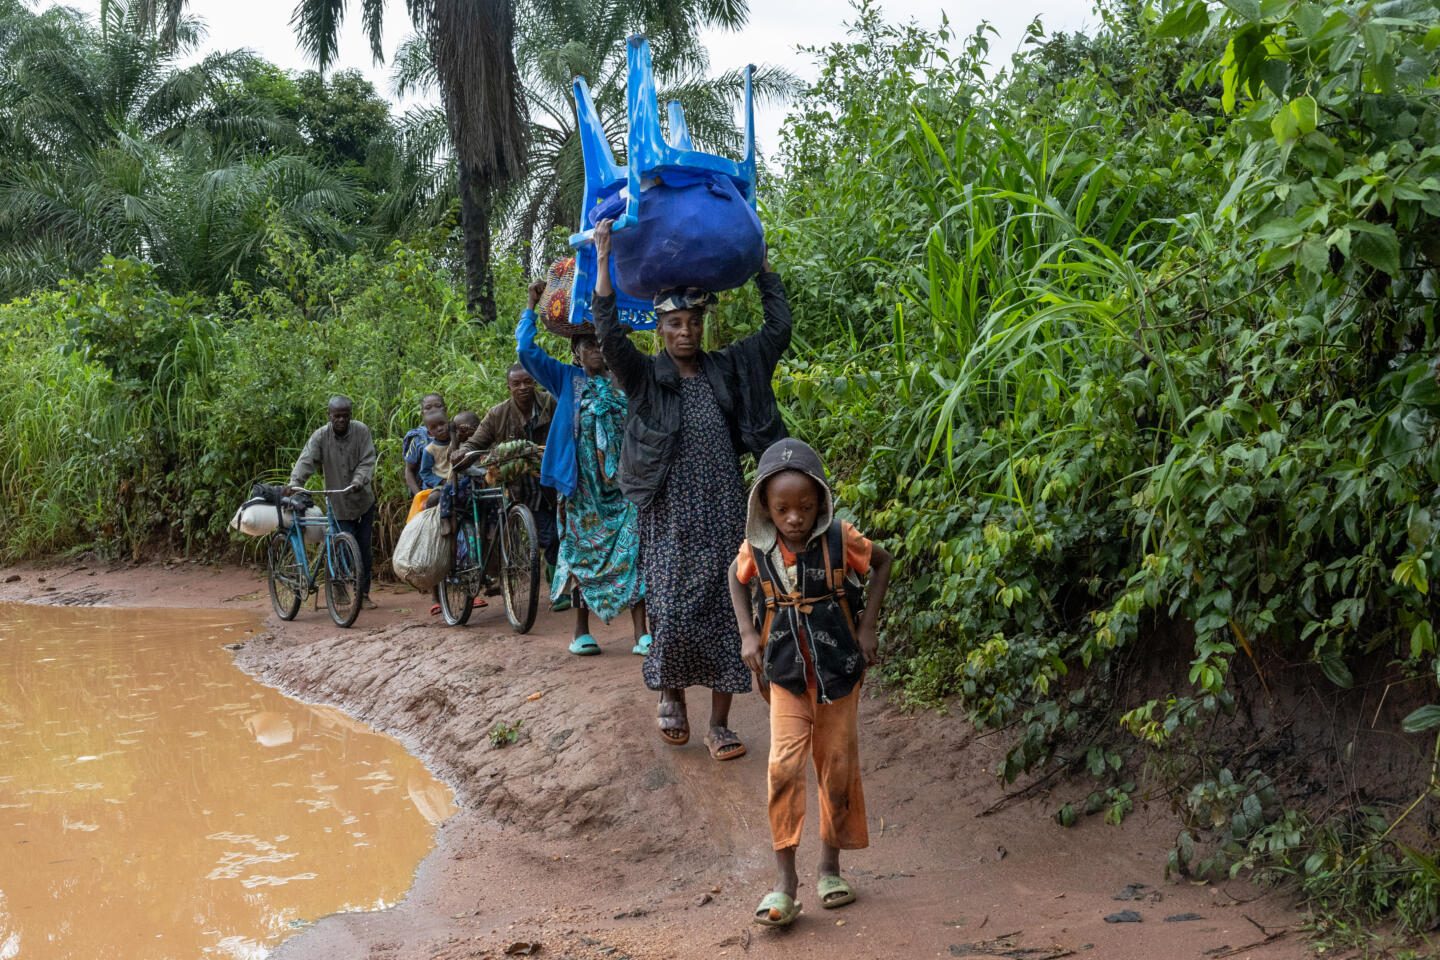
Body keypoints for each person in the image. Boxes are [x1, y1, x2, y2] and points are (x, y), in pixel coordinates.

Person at [592, 217, 792, 760]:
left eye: (694, 323)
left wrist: (763, 267)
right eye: (675, 324)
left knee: (732, 609)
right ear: (660, 329)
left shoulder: (726, 369)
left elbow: (777, 332)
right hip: (670, 511)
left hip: (724, 508)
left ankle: (720, 724)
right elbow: (608, 335)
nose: (686, 332)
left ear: (703, 326)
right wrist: (604, 258)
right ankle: (673, 697)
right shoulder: (644, 378)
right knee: (673, 609)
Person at [727, 437, 893, 928]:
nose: (794, 518)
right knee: (783, 766)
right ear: (765, 507)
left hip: (838, 672)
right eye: (782, 509)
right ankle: (785, 883)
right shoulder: (758, 548)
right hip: (785, 674)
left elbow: (883, 562)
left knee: (835, 767)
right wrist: (747, 635)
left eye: (804, 506)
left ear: (821, 501)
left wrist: (868, 627)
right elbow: (736, 577)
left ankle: (829, 870)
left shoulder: (841, 539)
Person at [516, 278, 649, 656]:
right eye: (588, 344)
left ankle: (641, 633)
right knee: (580, 556)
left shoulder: (623, 381)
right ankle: (580, 633)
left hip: (622, 490)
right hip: (581, 493)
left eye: (602, 342)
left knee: (633, 551)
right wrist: (530, 306)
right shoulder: (566, 379)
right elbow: (526, 350)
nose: (597, 350)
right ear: (575, 352)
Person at [453, 364, 562, 605]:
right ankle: (557, 587)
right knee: (548, 535)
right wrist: (462, 452)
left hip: (553, 481)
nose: (523, 387)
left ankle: (559, 582)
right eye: (517, 384)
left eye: (527, 382)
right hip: (519, 487)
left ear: (535, 382)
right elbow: (476, 442)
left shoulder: (551, 403)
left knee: (561, 533)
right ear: (508, 387)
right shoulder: (498, 414)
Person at [289, 395, 379, 608]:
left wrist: (359, 480)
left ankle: (362, 594)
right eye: (337, 416)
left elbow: (368, 460)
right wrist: (295, 483)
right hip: (338, 503)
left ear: (350, 415)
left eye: (345, 416)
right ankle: (337, 585)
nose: (341, 420)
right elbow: (306, 461)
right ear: (329, 415)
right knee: (341, 547)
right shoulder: (321, 436)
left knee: (364, 551)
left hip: (363, 501)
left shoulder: (361, 431)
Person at [403, 393, 446, 496]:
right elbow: (409, 470)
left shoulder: (455, 431)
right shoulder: (418, 438)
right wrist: (419, 496)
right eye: (428, 407)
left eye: (438, 406)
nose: (433, 410)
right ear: (422, 413)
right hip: (430, 490)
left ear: (445, 409)